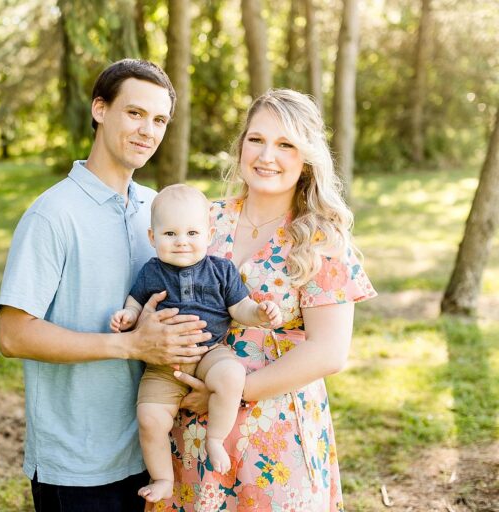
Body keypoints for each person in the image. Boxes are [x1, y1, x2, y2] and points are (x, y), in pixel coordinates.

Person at [0, 59, 213, 512]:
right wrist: (133, 346)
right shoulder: (52, 214)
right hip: (80, 463)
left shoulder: (158, 212)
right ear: (100, 109)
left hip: (154, 452)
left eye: (159, 120)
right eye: (135, 113)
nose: (147, 131)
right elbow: (13, 336)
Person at [147, 89, 377, 511]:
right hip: (192, 429)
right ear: (240, 146)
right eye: (256, 140)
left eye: (285, 144)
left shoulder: (320, 239)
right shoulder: (204, 219)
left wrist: (230, 392)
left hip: (275, 436)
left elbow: (329, 352)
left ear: (306, 157)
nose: (267, 155)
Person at [109, 184, 283, 503]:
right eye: (170, 234)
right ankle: (162, 477)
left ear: (209, 233)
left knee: (231, 376)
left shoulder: (221, 271)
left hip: (210, 353)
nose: (182, 242)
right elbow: (135, 302)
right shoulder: (152, 272)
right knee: (149, 418)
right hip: (162, 366)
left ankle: (215, 438)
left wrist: (258, 312)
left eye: (191, 232)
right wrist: (128, 316)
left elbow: (239, 308)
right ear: (152, 238)